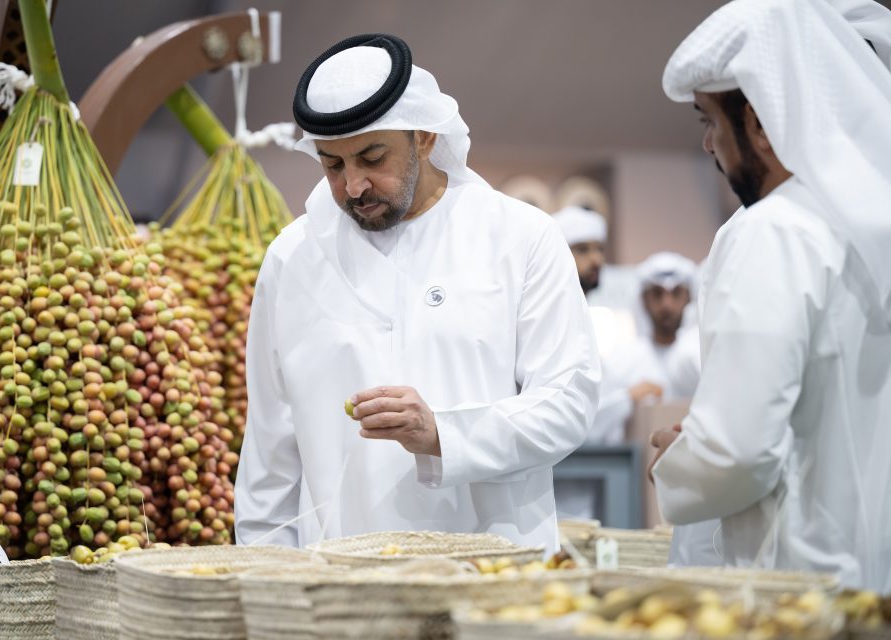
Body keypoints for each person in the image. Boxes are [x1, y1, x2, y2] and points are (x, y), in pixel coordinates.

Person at [234, 34, 600, 549]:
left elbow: (568, 403)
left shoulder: (519, 237)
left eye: (372, 156)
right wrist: (263, 586)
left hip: (495, 578)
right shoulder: (292, 258)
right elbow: (269, 455)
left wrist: (443, 435)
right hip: (338, 590)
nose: (354, 186)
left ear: (425, 136)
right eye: (332, 165)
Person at [649, 0, 891, 590]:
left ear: (759, 122)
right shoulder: (868, 222)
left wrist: (676, 465)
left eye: (709, 121)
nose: (709, 146)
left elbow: (736, 455)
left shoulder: (775, 229)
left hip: (798, 588)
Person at [590, 252, 700, 446]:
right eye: (657, 294)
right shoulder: (621, 360)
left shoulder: (700, 358)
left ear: (689, 298)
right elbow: (591, 427)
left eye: (676, 294)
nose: (667, 304)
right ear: (643, 300)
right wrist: (628, 398)